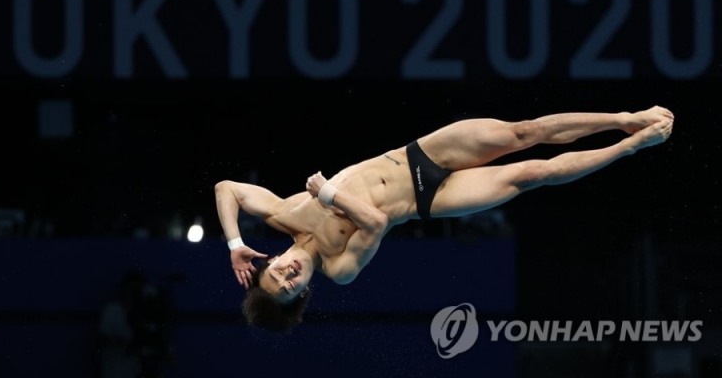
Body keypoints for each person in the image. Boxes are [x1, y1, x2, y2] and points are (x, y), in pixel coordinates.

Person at [214, 106, 675, 332]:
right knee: (532, 175)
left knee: (524, 132)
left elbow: (226, 189)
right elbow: (374, 222)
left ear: (271, 260)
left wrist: (234, 245)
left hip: (419, 153)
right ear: (302, 293)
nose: (289, 274)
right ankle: (630, 146)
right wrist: (329, 193)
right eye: (290, 287)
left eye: (277, 273)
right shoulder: (340, 268)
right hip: (432, 198)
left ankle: (624, 119)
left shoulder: (283, 212)